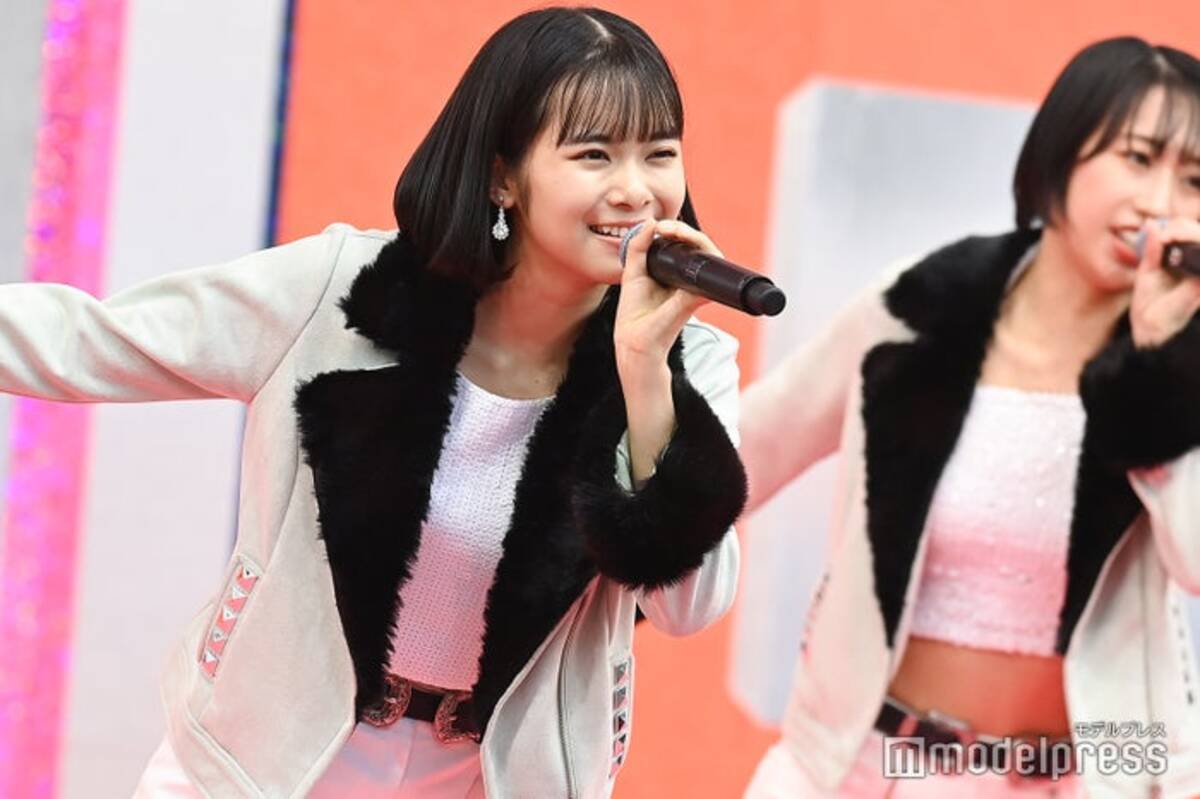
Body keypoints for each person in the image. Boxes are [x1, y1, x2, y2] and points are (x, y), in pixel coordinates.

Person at [0, 7, 747, 796]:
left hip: (485, 778)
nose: (635, 190)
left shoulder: (686, 362)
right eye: (594, 154)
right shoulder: (338, 291)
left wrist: (645, 371)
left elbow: (691, 605)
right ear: (503, 175)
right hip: (261, 759)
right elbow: (93, 339)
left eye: (660, 154)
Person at [739, 37, 1200, 798]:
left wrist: (1161, 368)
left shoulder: (1180, 363)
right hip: (865, 770)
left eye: (1194, 180)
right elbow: (743, 453)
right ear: (1063, 152)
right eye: (1139, 159)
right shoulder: (917, 308)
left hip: (1075, 780)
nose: (1162, 203)